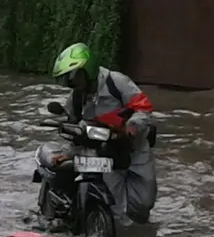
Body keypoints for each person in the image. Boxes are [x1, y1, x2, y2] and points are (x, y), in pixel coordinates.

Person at [51, 42, 157, 225]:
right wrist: (67, 154)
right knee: (113, 206)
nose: (71, 83)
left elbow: (144, 107)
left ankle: (141, 236)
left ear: (88, 70)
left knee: (143, 204)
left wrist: (132, 126)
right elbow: (74, 128)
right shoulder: (77, 97)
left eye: (73, 76)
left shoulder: (117, 82)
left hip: (135, 149)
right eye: (67, 78)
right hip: (106, 152)